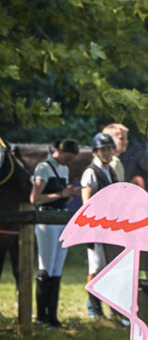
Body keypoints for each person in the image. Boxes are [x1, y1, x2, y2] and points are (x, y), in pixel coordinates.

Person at [28, 139, 82, 327]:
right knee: (46, 267)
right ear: (59, 150)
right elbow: (35, 198)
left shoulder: (64, 169)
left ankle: (52, 316)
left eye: (71, 160)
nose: (68, 162)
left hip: (60, 220)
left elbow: (60, 198)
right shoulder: (44, 168)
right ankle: (41, 316)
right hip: (46, 221)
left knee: (57, 268)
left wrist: (69, 195)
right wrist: (61, 194)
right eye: (67, 158)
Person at [81, 132, 120, 320]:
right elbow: (86, 203)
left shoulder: (110, 170)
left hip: (110, 227)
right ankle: (94, 311)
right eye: (103, 150)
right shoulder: (91, 172)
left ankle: (112, 310)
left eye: (110, 149)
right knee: (96, 267)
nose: (107, 153)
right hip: (96, 227)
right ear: (96, 152)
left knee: (109, 267)